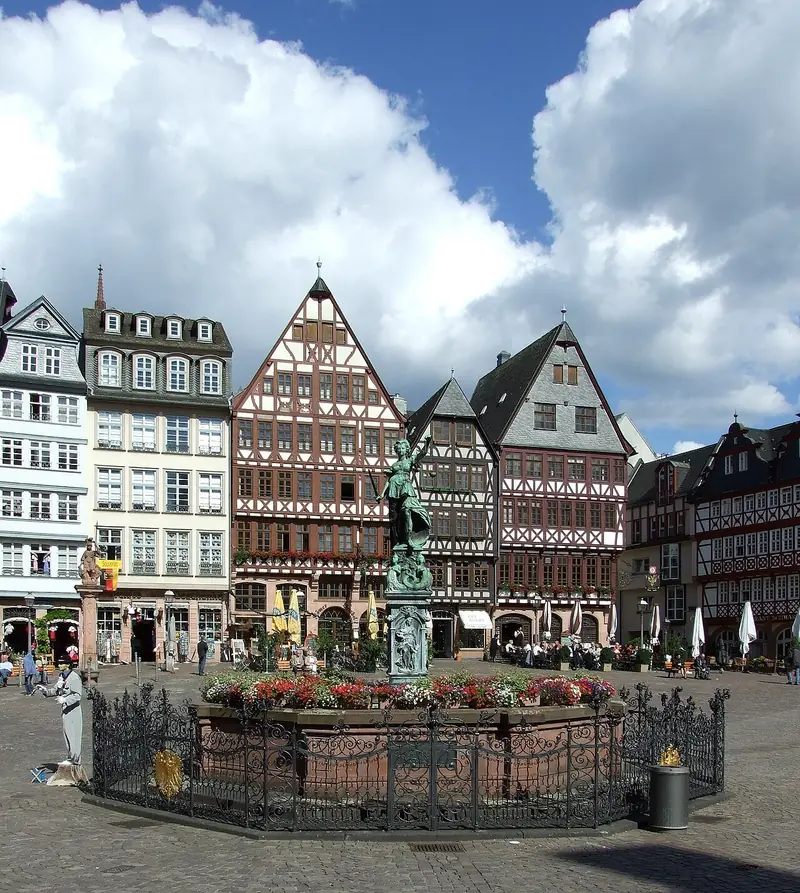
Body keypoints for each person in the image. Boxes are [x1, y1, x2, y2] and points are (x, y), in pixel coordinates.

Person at [37, 662, 84, 766]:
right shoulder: (62, 676)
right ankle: (71, 757)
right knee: (67, 733)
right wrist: (46, 692)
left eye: (62, 663)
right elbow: (57, 690)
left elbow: (77, 695)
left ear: (68, 665)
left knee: (74, 735)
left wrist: (65, 699)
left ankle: (75, 759)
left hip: (73, 709)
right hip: (65, 709)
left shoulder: (74, 678)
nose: (60, 665)